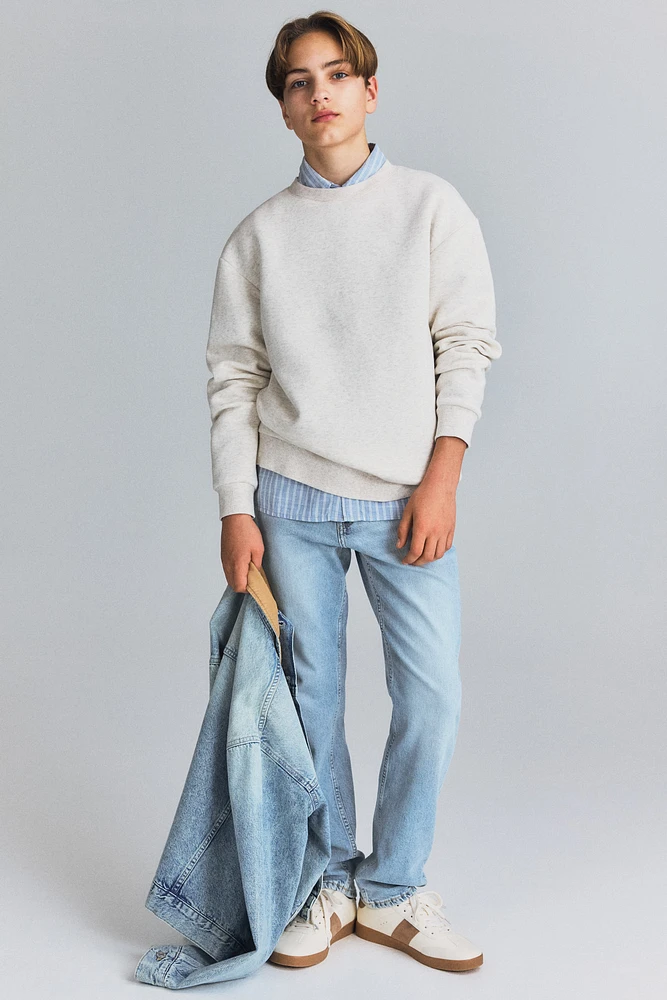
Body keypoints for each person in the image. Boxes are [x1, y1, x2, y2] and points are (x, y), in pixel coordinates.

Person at [205, 9, 501, 973]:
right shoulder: (259, 237)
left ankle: (394, 885)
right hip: (288, 497)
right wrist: (236, 508)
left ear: (370, 91)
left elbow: (465, 344)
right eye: (299, 82)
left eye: (336, 75)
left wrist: (442, 476)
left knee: (432, 694)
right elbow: (233, 379)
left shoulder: (430, 208)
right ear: (284, 108)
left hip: (406, 500)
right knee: (311, 699)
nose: (319, 93)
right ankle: (330, 880)